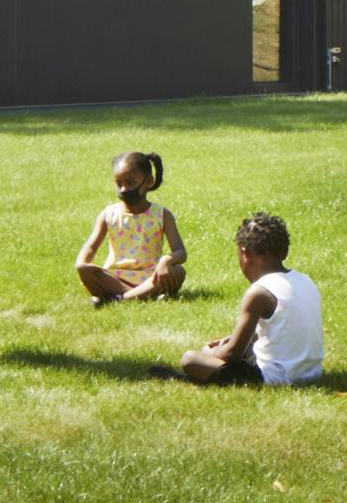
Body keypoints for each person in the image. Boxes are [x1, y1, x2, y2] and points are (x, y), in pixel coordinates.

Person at [178, 211, 324, 388]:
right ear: (284, 252)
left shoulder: (259, 292)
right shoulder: (305, 281)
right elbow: (283, 328)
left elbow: (232, 354)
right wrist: (232, 338)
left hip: (276, 377)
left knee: (190, 359)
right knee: (245, 346)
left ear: (244, 253)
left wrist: (211, 352)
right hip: (312, 373)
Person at [74, 148, 186, 302]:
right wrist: (81, 264)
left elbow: (180, 252)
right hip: (115, 277)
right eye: (119, 184)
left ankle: (118, 298)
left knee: (178, 271)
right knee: (87, 272)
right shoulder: (108, 214)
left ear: (149, 181)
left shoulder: (162, 215)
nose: (124, 189)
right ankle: (143, 296)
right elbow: (91, 247)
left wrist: (166, 261)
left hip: (151, 277)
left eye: (131, 183)